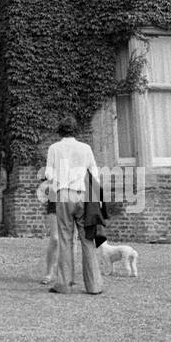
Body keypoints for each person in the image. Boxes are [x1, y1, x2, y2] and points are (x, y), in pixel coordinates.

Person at [42, 114, 103, 295]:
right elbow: (94, 173)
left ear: (60, 131)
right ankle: (94, 286)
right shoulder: (85, 148)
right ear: (76, 130)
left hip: (64, 194)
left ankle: (64, 284)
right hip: (84, 194)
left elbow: (48, 174)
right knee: (87, 240)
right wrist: (97, 199)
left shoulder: (54, 148)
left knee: (65, 240)